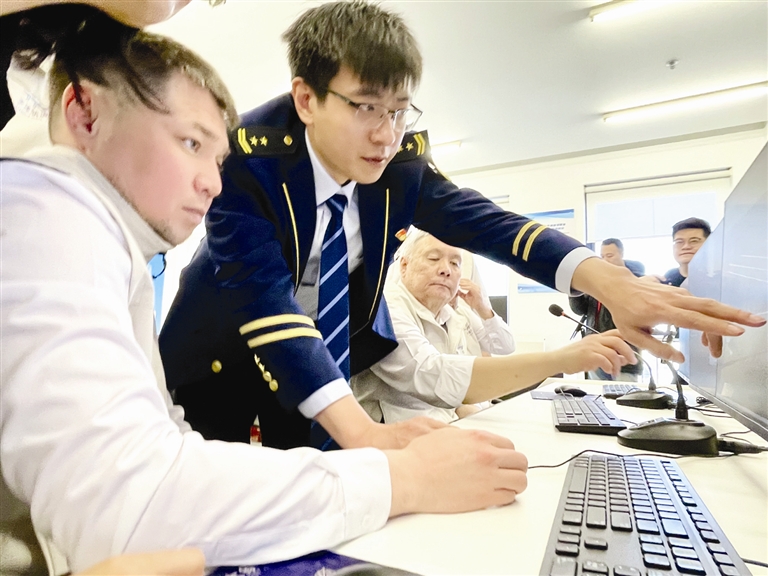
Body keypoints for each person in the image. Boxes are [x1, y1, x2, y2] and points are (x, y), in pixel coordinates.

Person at [0, 17, 529, 576]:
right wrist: (404, 479)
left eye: (217, 160)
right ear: (84, 114)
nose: (213, 183)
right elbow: (128, 506)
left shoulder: (111, 246)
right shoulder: (44, 207)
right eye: (190, 143)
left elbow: (165, 444)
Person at [159, 0, 765, 451]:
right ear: (307, 99)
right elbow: (267, 304)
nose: (385, 134)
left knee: (315, 505)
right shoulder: (248, 158)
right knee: (217, 507)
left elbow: (490, 225)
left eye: (399, 111)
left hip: (322, 362)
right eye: (366, 107)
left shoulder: (398, 167)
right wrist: (363, 434)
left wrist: (607, 282)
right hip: (220, 354)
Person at [351, 230, 636, 423]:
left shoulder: (453, 312)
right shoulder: (386, 306)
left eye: (455, 263)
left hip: (449, 427)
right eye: (433, 259)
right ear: (403, 266)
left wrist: (483, 308)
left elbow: (501, 348)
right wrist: (559, 360)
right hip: (396, 445)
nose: (446, 269)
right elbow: (434, 375)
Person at [569, 238, 645, 381]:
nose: (605, 260)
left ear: (621, 254)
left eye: (610, 256)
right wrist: (572, 289)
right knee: (596, 393)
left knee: (625, 393)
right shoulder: (596, 279)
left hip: (624, 353)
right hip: (597, 349)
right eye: (602, 256)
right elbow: (580, 310)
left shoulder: (635, 279)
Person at [662, 218, 711, 288]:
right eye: (679, 242)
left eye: (694, 241)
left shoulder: (720, 282)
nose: (686, 247)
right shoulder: (663, 283)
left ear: (708, 245)